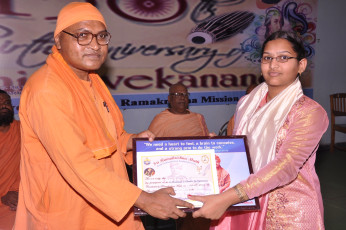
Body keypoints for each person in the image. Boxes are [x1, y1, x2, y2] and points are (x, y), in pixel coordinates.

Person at [14, 3, 192, 229]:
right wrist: (144, 200)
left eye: (101, 36)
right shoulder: (48, 89)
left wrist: (131, 141)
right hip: (69, 214)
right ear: (59, 41)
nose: (95, 45)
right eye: (83, 36)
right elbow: (77, 163)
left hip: (105, 206)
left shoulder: (92, 81)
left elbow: (107, 139)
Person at [189, 30, 329, 229]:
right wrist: (218, 148)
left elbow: (287, 165)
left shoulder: (309, 112)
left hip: (287, 210)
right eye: (267, 58)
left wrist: (228, 197)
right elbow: (241, 150)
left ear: (301, 65)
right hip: (244, 202)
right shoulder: (247, 103)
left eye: (283, 57)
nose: (273, 65)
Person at [147, 82, 210, 230]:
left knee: (202, 217)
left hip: (198, 177)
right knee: (185, 218)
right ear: (169, 98)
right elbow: (149, 150)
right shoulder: (161, 119)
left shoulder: (198, 118)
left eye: (184, 94)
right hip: (174, 178)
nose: (181, 98)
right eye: (177, 94)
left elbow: (206, 145)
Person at [0, 90, 21, 230]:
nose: (4, 106)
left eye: (7, 102)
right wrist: (2, 196)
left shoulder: (24, 128)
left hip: (25, 198)